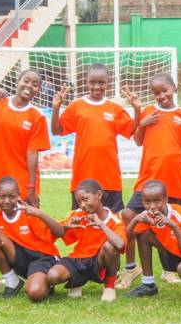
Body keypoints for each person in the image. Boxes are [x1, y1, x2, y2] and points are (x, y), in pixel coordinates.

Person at [118, 73, 181, 289]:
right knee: (129, 214)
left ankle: (169, 270)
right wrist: (142, 121)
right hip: (148, 182)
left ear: (174, 88)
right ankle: (131, 268)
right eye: (156, 93)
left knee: (176, 226)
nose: (161, 95)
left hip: (175, 182)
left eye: (165, 90)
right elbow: (137, 140)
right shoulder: (149, 111)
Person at [51, 63, 141, 213]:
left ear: (108, 83)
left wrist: (137, 109)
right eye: (93, 82)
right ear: (86, 82)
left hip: (109, 177)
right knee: (82, 222)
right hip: (83, 177)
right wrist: (56, 108)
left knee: (112, 221)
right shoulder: (77, 106)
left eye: (101, 82)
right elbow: (56, 130)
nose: (97, 87)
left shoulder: (114, 108)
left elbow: (132, 130)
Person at [0, 176, 64, 301]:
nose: (7, 201)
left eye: (12, 196)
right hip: (20, 258)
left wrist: (39, 213)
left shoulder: (29, 213)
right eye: (2, 197)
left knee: (35, 293)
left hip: (42, 258)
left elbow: (60, 232)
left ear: (19, 196)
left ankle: (45, 282)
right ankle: (12, 280)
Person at [0, 70, 50, 208]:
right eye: (26, 81)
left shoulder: (37, 116)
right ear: (17, 82)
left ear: (38, 91)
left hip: (22, 187)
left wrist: (32, 188)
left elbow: (32, 153)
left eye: (35, 84)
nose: (29, 86)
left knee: (25, 228)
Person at [46, 179, 126, 302]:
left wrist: (101, 224)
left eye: (85, 199)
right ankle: (77, 282)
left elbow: (120, 244)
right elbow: (53, 233)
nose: (82, 205)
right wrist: (66, 226)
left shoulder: (114, 221)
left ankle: (109, 286)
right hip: (78, 259)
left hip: (98, 261)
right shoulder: (79, 215)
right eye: (79, 202)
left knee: (110, 246)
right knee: (52, 276)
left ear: (99, 195)